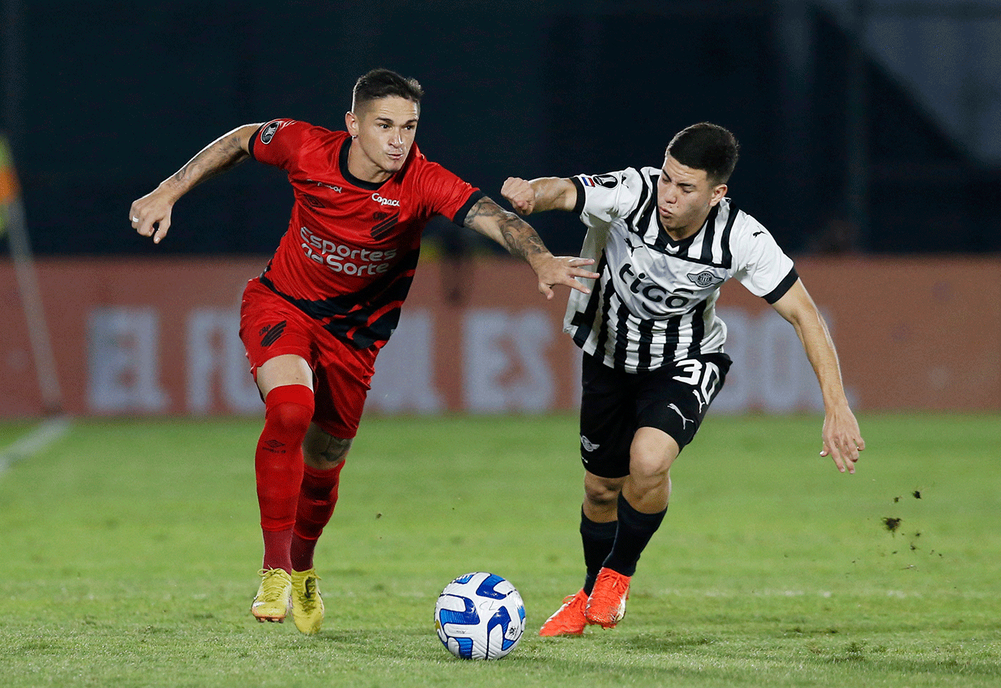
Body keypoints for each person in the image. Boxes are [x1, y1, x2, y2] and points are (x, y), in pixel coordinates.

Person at [129, 68, 598, 634]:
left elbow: (490, 216)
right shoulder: (306, 148)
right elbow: (243, 139)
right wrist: (168, 189)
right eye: (385, 125)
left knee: (325, 462)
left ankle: (303, 570)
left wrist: (539, 258)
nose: (399, 139)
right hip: (283, 305)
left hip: (357, 340)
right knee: (290, 409)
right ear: (352, 124)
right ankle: (274, 569)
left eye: (409, 127)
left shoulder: (422, 181)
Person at [501, 122, 865, 636]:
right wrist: (530, 193)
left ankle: (618, 575)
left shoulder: (743, 238)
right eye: (666, 179)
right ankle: (588, 590)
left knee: (648, 460)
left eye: (685, 187)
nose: (668, 195)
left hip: (686, 359)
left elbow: (805, 315)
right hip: (607, 354)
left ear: (718, 194)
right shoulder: (632, 192)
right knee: (601, 489)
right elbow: (565, 189)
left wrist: (837, 405)